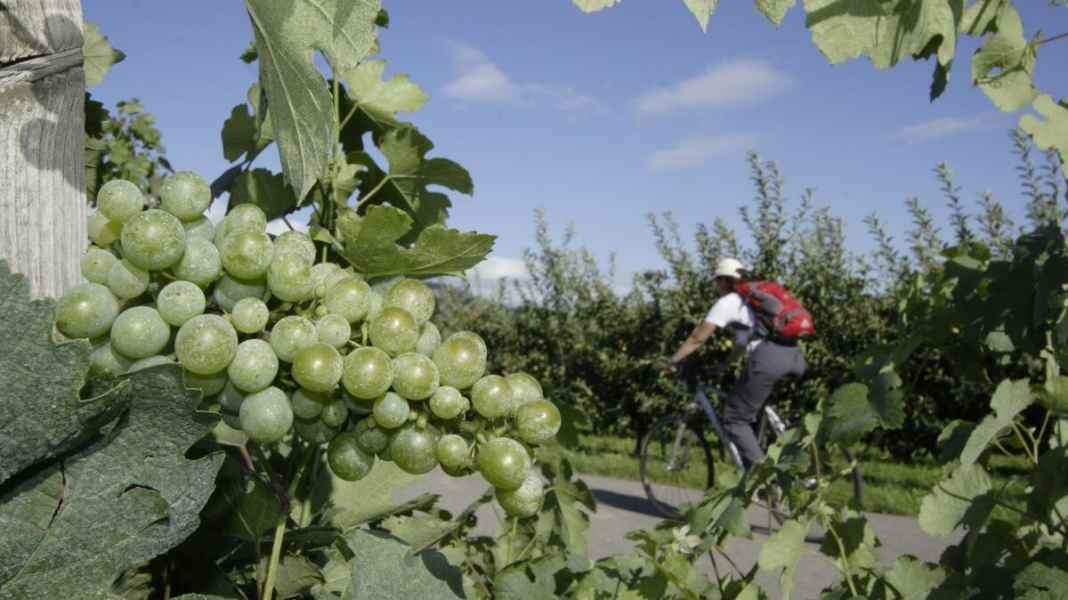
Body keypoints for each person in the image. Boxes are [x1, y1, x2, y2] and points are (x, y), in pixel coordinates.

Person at [664, 257, 807, 470]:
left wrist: (673, 361)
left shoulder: (728, 302)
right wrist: (725, 365)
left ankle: (763, 480)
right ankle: (775, 459)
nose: (716, 286)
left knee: (734, 419)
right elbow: (742, 343)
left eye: (716, 281)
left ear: (723, 281)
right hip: (794, 355)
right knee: (752, 410)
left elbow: (698, 338)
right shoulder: (753, 302)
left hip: (768, 360)